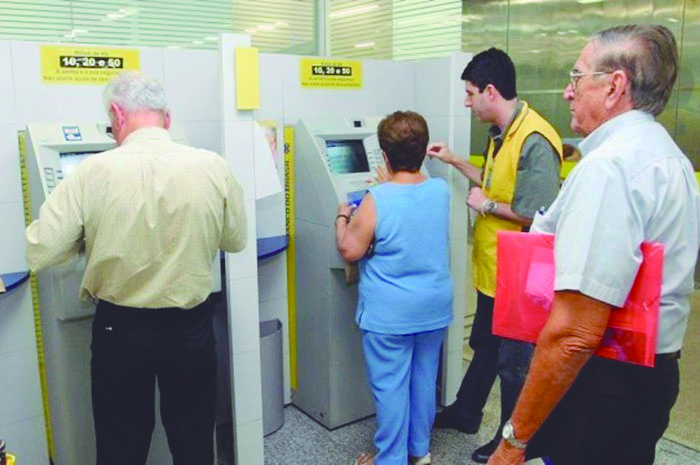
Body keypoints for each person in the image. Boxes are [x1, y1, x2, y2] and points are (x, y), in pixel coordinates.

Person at [487, 24, 700, 465]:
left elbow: (574, 334)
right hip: (646, 376)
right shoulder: (665, 154)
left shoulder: (610, 168)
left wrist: (513, 442)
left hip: (604, 382)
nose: (568, 92)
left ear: (614, 86)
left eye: (577, 77)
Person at [25, 71, 247, 465]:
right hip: (192, 327)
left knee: (121, 446)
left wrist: (86, 241)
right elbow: (235, 240)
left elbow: (41, 250)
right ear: (167, 117)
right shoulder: (214, 167)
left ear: (117, 114)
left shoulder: (93, 172)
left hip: (120, 330)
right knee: (194, 442)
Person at [427, 48, 563, 463]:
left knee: (513, 364)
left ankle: (513, 442)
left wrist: (485, 205)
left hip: (522, 275)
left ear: (490, 91)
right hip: (495, 269)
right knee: (484, 344)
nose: (467, 102)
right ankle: (467, 413)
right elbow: (490, 181)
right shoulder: (500, 133)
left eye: (470, 94)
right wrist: (454, 161)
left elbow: (537, 211)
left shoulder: (535, 140)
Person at [335, 111, 453, 465]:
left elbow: (350, 249)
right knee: (423, 381)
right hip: (433, 308)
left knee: (391, 387)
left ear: (384, 156)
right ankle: (419, 451)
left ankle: (390, 459)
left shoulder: (377, 199)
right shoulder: (440, 190)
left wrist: (342, 217)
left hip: (391, 315)